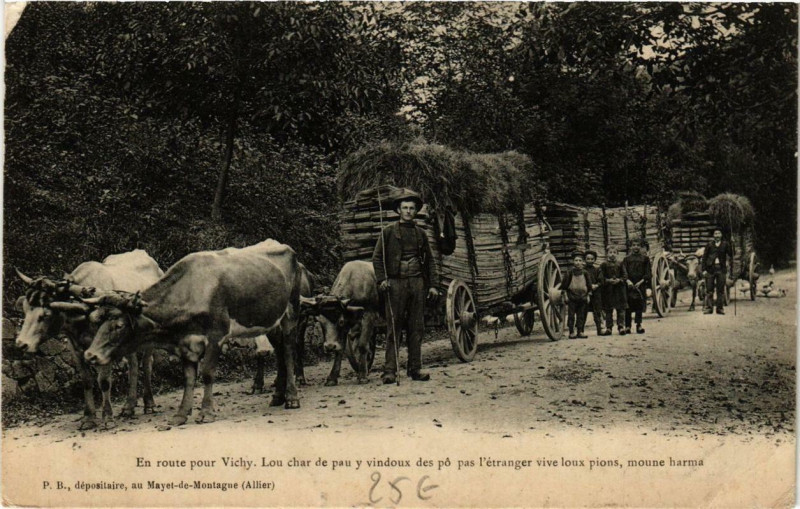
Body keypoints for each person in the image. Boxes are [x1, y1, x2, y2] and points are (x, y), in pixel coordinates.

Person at [372, 188, 439, 384]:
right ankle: (390, 370)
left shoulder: (421, 234)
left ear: (416, 211)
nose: (408, 211)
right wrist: (382, 279)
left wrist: (433, 285)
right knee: (394, 327)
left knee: (416, 327)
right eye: (405, 208)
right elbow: (377, 258)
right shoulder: (388, 232)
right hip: (395, 284)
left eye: (412, 208)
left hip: (417, 283)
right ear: (398, 211)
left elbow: (430, 262)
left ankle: (415, 368)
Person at [701, 228, 734, 315]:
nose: (717, 235)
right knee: (709, 289)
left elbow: (731, 254)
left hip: (721, 269)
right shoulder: (709, 245)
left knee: (720, 290)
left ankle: (720, 309)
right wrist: (703, 270)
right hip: (710, 269)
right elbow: (704, 257)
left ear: (721, 235)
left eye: (719, 233)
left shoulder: (725, 244)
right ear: (713, 236)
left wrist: (732, 243)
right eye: (715, 234)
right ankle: (709, 308)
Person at [622, 238, 651, 334]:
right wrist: (628, 281)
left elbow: (648, 273)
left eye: (638, 245)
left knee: (639, 305)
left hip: (640, 285)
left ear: (641, 247)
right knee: (628, 306)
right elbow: (624, 272)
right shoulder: (626, 259)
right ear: (630, 247)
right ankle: (627, 326)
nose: (636, 247)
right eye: (634, 245)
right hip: (629, 285)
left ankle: (639, 325)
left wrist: (641, 282)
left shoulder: (645, 259)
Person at [560, 251, 590, 339]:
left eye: (580, 260)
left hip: (582, 297)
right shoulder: (569, 273)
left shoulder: (585, 273)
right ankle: (571, 332)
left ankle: (580, 331)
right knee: (571, 315)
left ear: (583, 262)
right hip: (572, 297)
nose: (578, 262)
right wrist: (565, 295)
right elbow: (564, 286)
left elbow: (589, 285)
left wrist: (588, 295)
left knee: (581, 315)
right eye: (576, 260)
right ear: (573, 261)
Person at [600, 245, 627, 335]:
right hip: (609, 290)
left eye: (614, 253)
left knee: (621, 309)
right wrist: (608, 281)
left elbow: (625, 275)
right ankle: (609, 327)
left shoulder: (620, 264)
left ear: (617, 254)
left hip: (619, 290)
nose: (612, 254)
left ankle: (621, 327)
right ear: (607, 254)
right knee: (608, 310)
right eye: (610, 252)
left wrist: (619, 280)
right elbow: (601, 277)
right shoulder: (604, 265)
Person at [584, 250, 608, 336]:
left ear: (594, 260)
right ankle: (580, 331)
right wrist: (588, 288)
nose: (590, 261)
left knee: (597, 311)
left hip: (596, 293)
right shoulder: (582, 271)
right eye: (588, 259)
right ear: (585, 260)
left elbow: (601, 280)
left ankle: (599, 329)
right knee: (583, 311)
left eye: (592, 259)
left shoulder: (597, 270)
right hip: (585, 293)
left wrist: (596, 285)